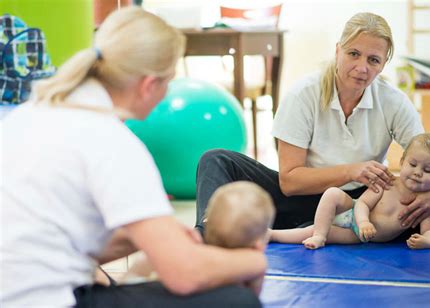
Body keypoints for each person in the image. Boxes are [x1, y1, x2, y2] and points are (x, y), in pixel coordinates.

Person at [1, 7, 265, 307]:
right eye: (168, 82)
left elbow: (44, 242)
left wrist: (139, 238)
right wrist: (254, 262)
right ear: (149, 85)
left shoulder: (31, 113)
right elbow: (185, 274)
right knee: (235, 300)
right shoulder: (111, 139)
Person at [195, 12, 430, 241]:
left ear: (383, 64)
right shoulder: (303, 94)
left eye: (373, 60)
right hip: (304, 197)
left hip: (363, 205)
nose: (362, 67)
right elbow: (289, 181)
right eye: (354, 54)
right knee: (216, 160)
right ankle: (206, 233)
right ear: (338, 51)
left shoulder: (394, 102)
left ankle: (354, 228)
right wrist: (351, 170)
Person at [271, 133, 430, 250]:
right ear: (402, 162)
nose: (417, 172)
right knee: (332, 194)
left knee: (312, 231)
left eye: (428, 170)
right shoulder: (388, 182)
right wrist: (363, 222)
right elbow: (362, 202)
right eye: (413, 164)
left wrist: (427, 242)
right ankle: (319, 236)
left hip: (357, 235)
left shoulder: (424, 203)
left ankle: (273, 235)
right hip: (356, 214)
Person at [124, 181, 275, 294]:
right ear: (258, 245)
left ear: (206, 226)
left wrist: (143, 265)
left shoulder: (186, 262)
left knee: (142, 266)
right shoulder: (253, 266)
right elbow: (253, 296)